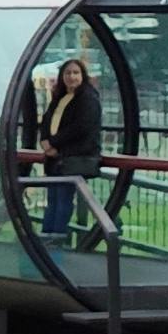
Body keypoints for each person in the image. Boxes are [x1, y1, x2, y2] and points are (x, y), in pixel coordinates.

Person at [28, 48, 104, 248]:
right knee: (53, 199)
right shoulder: (60, 97)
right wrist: (45, 141)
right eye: (68, 73)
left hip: (72, 157)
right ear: (62, 76)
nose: (72, 77)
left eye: (76, 73)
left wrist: (54, 144)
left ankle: (56, 237)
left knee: (63, 199)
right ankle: (47, 237)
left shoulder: (88, 98)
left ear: (83, 76)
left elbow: (82, 127)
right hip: (55, 158)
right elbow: (47, 120)